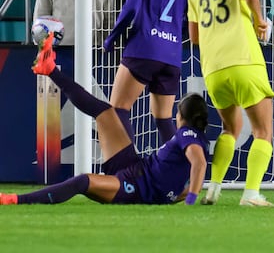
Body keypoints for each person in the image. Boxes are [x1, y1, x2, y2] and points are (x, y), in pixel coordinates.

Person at [0, 33, 208, 205]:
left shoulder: (187, 135)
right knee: (106, 113)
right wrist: (175, 196)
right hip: (135, 166)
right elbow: (188, 175)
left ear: (182, 116)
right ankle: (49, 68)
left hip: (133, 186)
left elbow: (198, 163)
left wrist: (190, 198)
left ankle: (16, 199)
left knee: (84, 181)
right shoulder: (196, 142)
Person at [187, 0, 274, 207]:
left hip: (213, 69)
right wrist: (259, 21)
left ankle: (213, 189)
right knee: (263, 132)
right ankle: (250, 194)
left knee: (230, 128)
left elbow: (194, 38)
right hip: (244, 61)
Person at [103, 0, 192, 145]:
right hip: (172, 54)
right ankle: (177, 174)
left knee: (119, 109)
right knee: (163, 118)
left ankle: (128, 170)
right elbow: (188, 20)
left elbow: (131, 7)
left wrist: (112, 37)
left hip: (143, 48)